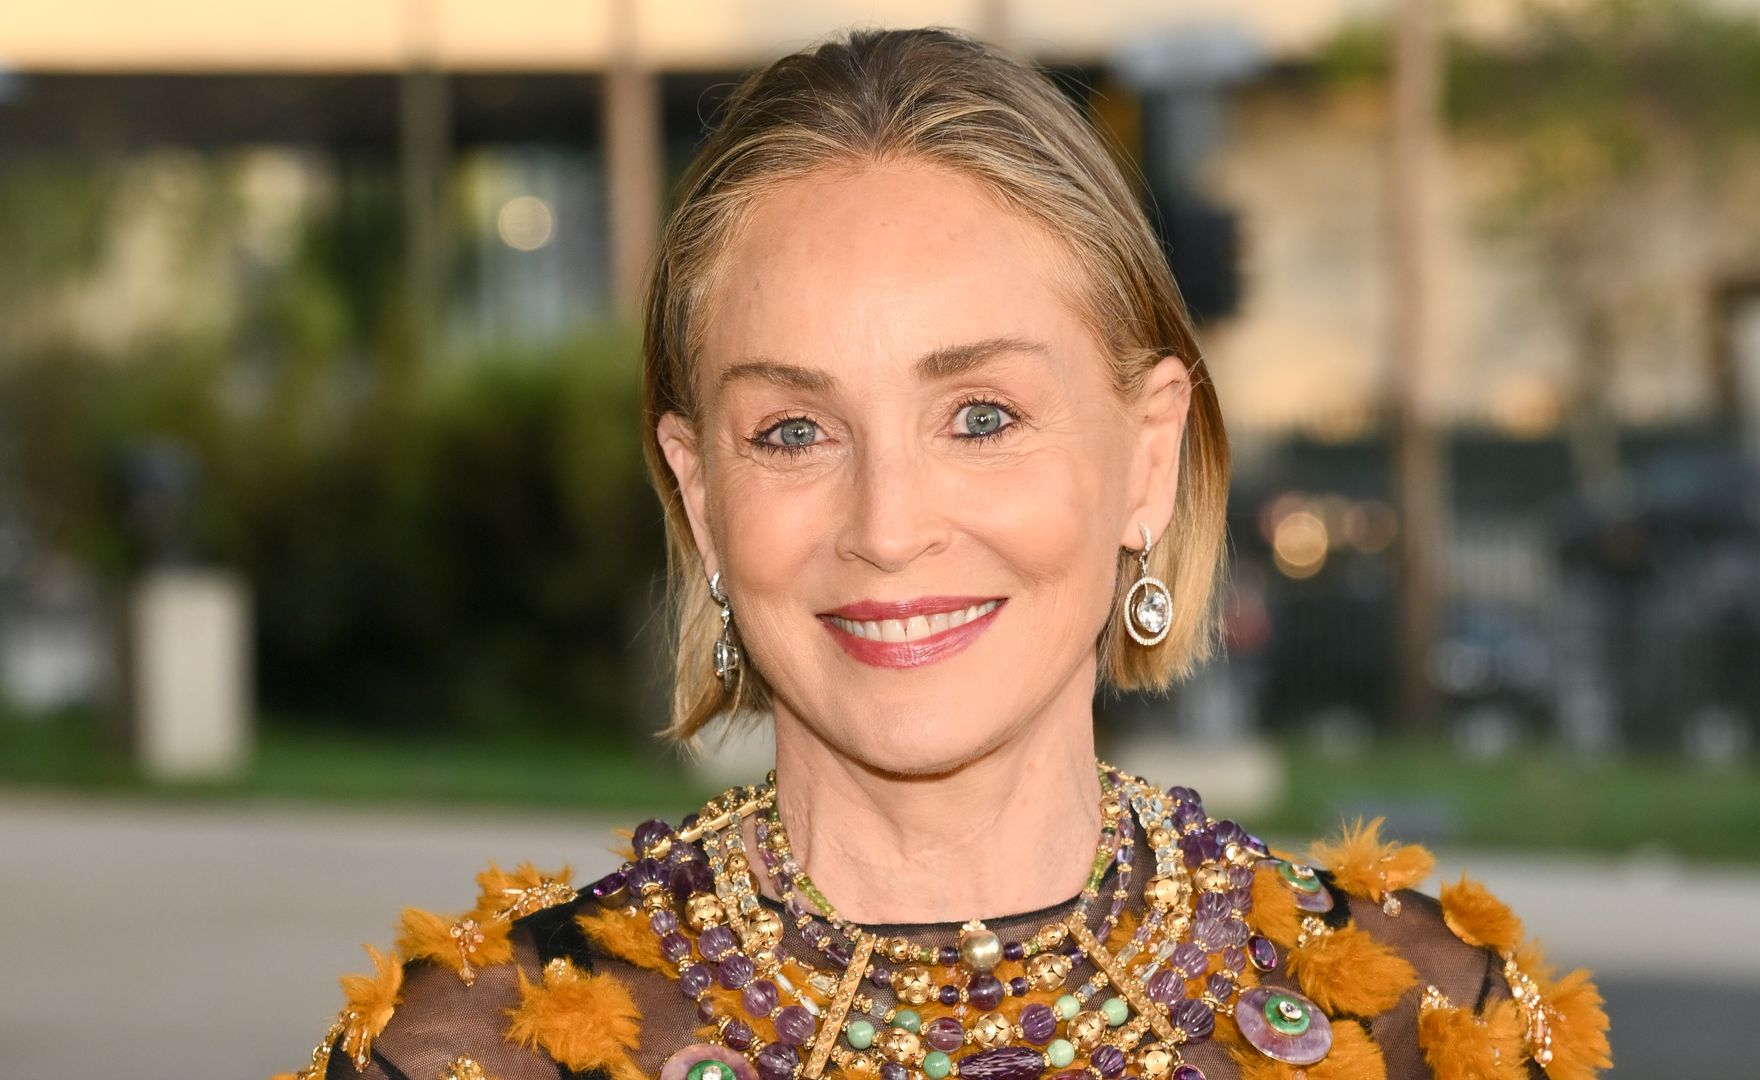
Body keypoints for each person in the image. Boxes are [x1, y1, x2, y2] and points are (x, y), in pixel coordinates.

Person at [278, 27, 1609, 1080]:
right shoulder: (478, 1049)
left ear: (1147, 454)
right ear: (699, 496)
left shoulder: (1427, 1029)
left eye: (980, 415)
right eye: (794, 430)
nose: (890, 525)